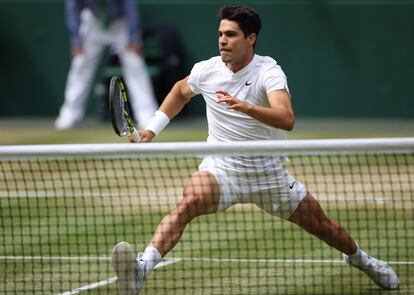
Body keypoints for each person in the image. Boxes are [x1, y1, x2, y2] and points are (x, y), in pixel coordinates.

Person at [111, 5, 400, 294]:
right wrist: (152, 128)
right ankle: (141, 268)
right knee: (189, 201)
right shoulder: (206, 70)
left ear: (250, 39)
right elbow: (180, 91)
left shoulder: (268, 71)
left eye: (231, 35)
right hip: (222, 169)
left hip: (268, 175)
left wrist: (246, 106)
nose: (223, 40)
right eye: (221, 34)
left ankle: (363, 261)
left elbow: (286, 118)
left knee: (325, 227)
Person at [55, 0, 158, 130]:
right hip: (93, 22)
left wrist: (134, 37)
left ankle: (146, 114)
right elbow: (74, 7)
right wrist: (76, 40)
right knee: (80, 65)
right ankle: (70, 113)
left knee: (135, 64)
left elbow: (129, 5)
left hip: (120, 23)